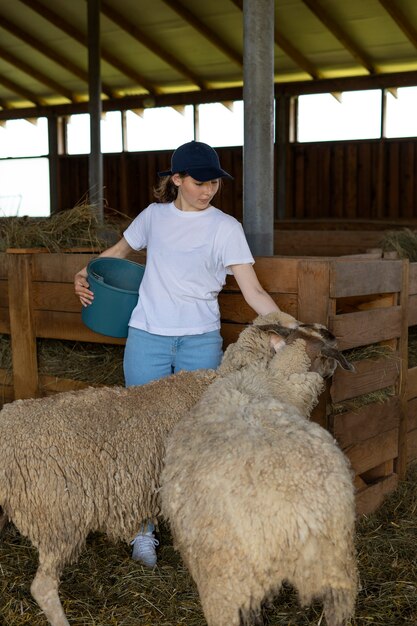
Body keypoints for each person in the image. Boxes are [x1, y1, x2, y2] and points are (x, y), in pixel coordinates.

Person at [74, 140, 281, 567]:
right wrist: (84, 272)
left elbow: (253, 289)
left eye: (214, 184)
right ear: (177, 180)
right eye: (199, 182)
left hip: (200, 341)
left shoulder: (226, 228)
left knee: (199, 435)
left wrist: (283, 330)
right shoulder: (153, 218)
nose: (208, 191)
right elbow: (115, 256)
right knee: (142, 434)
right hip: (147, 337)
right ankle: (143, 530)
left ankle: (196, 530)